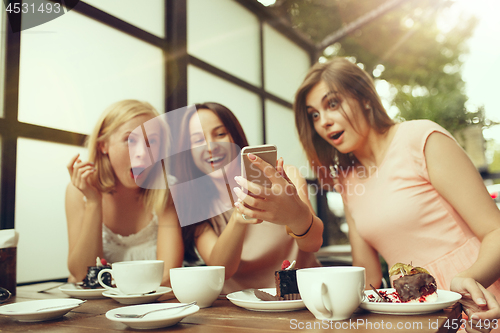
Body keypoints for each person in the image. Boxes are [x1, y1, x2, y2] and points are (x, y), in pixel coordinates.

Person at [294, 57, 500, 332]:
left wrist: (469, 279)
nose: (324, 122)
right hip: (413, 314)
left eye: (332, 104)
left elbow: (495, 230)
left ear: (365, 98)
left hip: (478, 298)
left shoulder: (421, 138)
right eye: (314, 115)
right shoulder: (346, 180)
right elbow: (367, 276)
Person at [172, 102, 323, 294]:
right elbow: (222, 270)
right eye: (197, 140)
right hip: (241, 310)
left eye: (220, 134)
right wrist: (238, 217)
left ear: (236, 137)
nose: (211, 147)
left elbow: (313, 243)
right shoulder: (196, 204)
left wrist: (295, 215)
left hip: (304, 298)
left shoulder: (286, 178)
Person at [65, 100, 183, 286]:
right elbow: (82, 274)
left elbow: (168, 276)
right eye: (130, 140)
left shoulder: (167, 189)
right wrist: (94, 202)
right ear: (103, 146)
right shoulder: (78, 191)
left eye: (151, 142)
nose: (142, 153)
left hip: (153, 304)